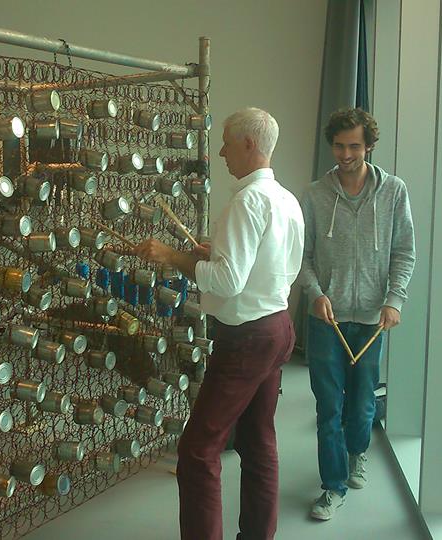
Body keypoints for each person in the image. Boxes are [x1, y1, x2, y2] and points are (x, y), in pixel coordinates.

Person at [133, 107, 304, 539]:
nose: (222, 152)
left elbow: (228, 283)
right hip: (278, 327)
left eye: (227, 143)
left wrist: (171, 256)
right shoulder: (286, 199)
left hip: (247, 339)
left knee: (197, 449)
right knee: (259, 442)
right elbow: (279, 266)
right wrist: (217, 253)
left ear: (249, 144)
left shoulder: (246, 202)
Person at [299, 108, 415, 520]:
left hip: (370, 319)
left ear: (369, 146)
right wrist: (315, 293)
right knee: (328, 406)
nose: (345, 154)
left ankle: (357, 451)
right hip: (326, 320)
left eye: (354, 146)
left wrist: (394, 299)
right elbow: (302, 255)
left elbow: (404, 251)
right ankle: (333, 487)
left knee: (362, 402)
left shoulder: (394, 191)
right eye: (338, 146)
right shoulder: (314, 194)